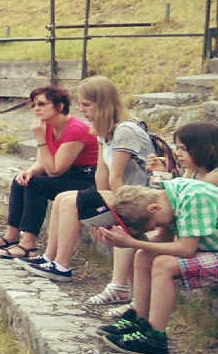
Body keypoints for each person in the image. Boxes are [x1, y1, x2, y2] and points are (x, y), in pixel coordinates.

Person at [24, 77, 154, 283]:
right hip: (122, 191)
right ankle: (51, 258)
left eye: (86, 105)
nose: (81, 109)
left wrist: (112, 208)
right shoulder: (103, 130)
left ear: (103, 104)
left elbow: (116, 176)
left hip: (138, 196)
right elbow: (101, 172)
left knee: (73, 202)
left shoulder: (125, 131)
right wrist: (98, 197)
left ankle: (62, 265)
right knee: (62, 198)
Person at [92, 123, 218, 315]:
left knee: (149, 250)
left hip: (212, 241)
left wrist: (134, 241)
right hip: (193, 233)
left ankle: (130, 299)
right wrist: (161, 173)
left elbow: (189, 206)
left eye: (184, 148)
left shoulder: (217, 178)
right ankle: (138, 309)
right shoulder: (191, 172)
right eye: (177, 148)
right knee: (143, 252)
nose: (178, 154)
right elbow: (175, 201)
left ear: (209, 148)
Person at [95, 177, 218, 354]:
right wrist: (124, 241)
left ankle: (155, 339)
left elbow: (186, 249)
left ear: (153, 208)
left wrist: (133, 242)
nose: (160, 227)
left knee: (164, 265)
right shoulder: (169, 197)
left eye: (157, 225)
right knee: (144, 255)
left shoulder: (194, 198)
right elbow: (164, 240)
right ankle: (140, 320)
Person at [0, 86, 99, 259]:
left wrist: (40, 140)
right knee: (21, 180)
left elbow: (54, 171)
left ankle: (28, 245)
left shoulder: (75, 129)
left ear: (60, 106)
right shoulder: (47, 126)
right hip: (69, 174)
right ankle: (11, 236)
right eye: (34, 105)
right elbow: (42, 162)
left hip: (87, 179)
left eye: (42, 104)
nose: (36, 108)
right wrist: (29, 171)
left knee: (36, 185)